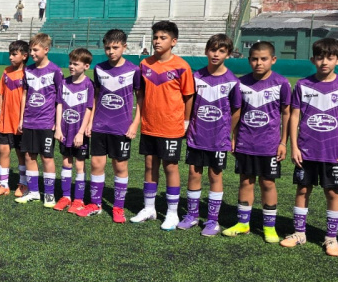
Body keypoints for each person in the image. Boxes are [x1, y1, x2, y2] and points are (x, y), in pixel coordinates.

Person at [280, 37, 338, 255]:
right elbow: (294, 117)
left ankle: (331, 238)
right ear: (312, 59)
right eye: (320, 57)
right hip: (306, 150)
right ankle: (299, 233)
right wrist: (294, 146)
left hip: (332, 152)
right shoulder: (303, 85)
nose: (324, 62)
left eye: (330, 58)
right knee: (302, 189)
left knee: (332, 193)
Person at [223, 41, 291, 243]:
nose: (258, 63)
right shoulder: (240, 83)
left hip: (270, 145)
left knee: (268, 182)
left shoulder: (282, 83)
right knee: (245, 181)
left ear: (273, 60)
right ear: (249, 60)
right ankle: (243, 223)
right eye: (254, 59)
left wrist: (283, 142)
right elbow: (235, 113)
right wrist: (233, 137)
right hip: (245, 142)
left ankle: (269, 226)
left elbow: (286, 113)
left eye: (263, 59)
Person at [130, 21, 195, 230]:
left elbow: (188, 97)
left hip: (171, 127)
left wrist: (185, 121)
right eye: (155, 37)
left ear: (173, 42)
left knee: (170, 167)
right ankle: (149, 208)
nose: (157, 41)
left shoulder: (182, 66)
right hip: (149, 125)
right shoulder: (145, 64)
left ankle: (173, 213)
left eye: (163, 37)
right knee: (150, 165)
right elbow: (141, 95)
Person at [177, 34, 242, 236]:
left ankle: (213, 220)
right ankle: (192, 215)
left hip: (218, 139)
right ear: (206, 51)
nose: (216, 54)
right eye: (213, 49)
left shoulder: (232, 81)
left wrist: (228, 132)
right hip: (197, 136)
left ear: (228, 55)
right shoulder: (196, 77)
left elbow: (236, 110)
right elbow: (187, 103)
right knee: (194, 173)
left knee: (215, 175)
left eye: (221, 51)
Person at [81, 29, 141, 220]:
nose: (111, 51)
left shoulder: (134, 70)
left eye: (115, 47)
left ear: (124, 46)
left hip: (121, 128)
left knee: (120, 167)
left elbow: (141, 100)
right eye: (107, 48)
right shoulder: (99, 68)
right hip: (100, 126)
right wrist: (90, 122)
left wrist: (134, 124)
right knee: (97, 164)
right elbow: (96, 96)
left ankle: (118, 207)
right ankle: (95, 204)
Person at [16, 33, 65, 207]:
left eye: (35, 50)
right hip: (29, 121)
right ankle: (34, 192)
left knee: (47, 157)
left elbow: (61, 98)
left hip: (46, 122)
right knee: (29, 156)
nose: (32, 53)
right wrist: (22, 118)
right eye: (31, 50)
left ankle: (50, 194)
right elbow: (24, 94)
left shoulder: (56, 71)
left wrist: (57, 124)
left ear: (46, 49)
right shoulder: (27, 70)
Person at [53, 48, 95, 212]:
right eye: (70, 63)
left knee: (79, 165)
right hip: (64, 129)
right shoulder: (64, 83)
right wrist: (58, 128)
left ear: (86, 66)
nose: (71, 66)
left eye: (75, 64)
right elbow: (59, 105)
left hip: (79, 131)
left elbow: (89, 109)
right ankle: (66, 196)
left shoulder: (88, 85)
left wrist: (80, 132)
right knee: (65, 162)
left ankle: (78, 199)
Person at [0, 40, 30, 197]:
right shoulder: (6, 71)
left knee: (21, 153)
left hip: (19, 121)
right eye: (10, 54)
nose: (11, 57)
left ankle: (23, 183)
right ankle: (4, 185)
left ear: (25, 56)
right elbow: (2, 94)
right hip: (5, 119)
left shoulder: (28, 73)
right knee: (3, 150)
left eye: (14, 54)